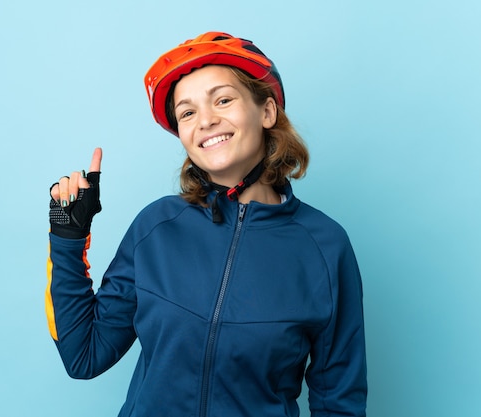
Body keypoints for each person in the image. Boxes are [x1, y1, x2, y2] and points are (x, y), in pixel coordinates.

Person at [46, 32, 367, 417]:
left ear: (266, 112)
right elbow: (84, 355)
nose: (206, 121)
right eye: (187, 112)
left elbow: (339, 400)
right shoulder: (157, 227)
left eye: (223, 100)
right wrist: (68, 238)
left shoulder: (325, 246)